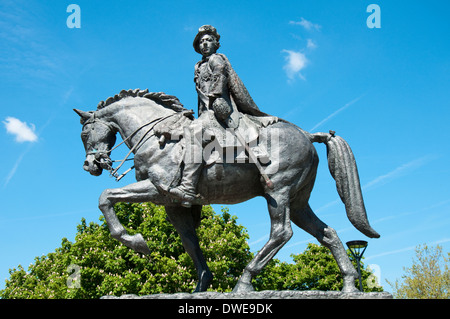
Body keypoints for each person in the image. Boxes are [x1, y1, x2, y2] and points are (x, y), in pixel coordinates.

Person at [168, 25, 277, 207]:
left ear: (216, 43)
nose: (204, 44)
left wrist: (217, 96)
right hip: (207, 112)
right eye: (201, 41)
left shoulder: (216, 59)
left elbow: (220, 73)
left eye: (208, 40)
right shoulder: (198, 66)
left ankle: (187, 187)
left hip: (221, 110)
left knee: (193, 131)